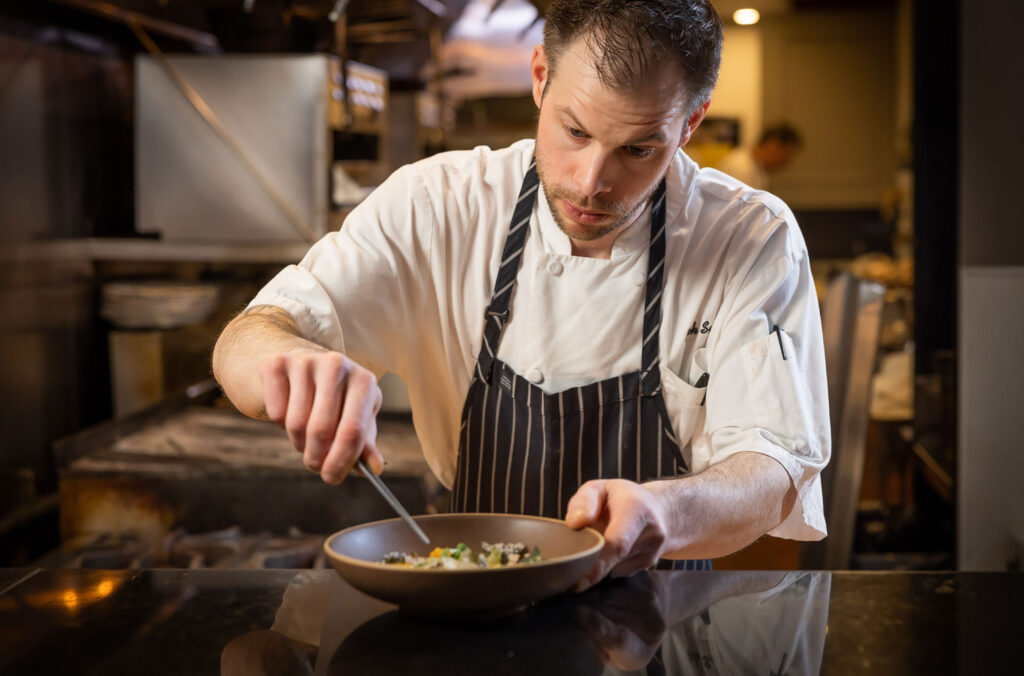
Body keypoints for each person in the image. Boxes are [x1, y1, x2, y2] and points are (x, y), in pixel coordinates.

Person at [213, 0, 829, 587]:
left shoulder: (748, 237)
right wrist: (289, 363)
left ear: (690, 123)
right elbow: (246, 338)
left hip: (661, 615)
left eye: (639, 150)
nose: (592, 183)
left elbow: (772, 467)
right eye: (575, 131)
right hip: (472, 603)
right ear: (540, 78)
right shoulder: (438, 205)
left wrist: (666, 511)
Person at [715, 123, 803, 190]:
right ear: (772, 146)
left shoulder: (754, 165)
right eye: (786, 156)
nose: (786, 164)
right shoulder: (742, 169)